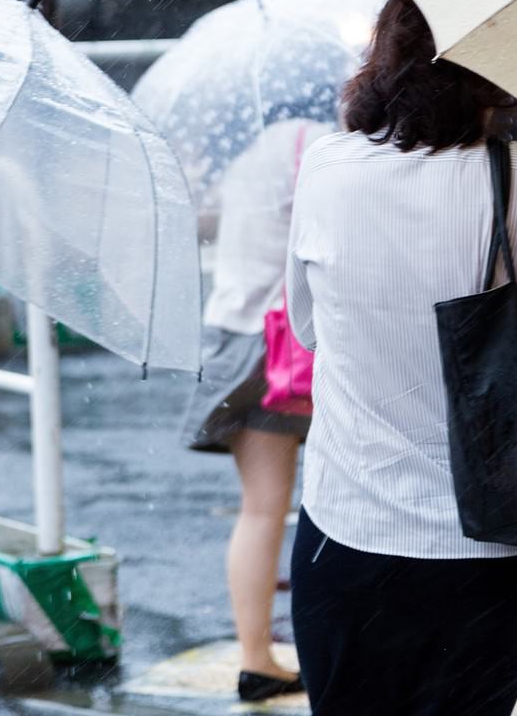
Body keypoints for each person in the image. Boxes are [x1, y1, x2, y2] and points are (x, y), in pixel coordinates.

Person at [285, 0, 517, 716]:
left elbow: (311, 328)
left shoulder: (325, 166)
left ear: (386, 57)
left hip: (344, 540)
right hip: (481, 556)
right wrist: (508, 386)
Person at [179, 118, 327, 703]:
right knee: (297, 510)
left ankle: (256, 654)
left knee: (260, 509)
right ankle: (265, 658)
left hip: (229, 332)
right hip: (278, 344)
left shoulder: (247, 154)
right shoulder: (313, 145)